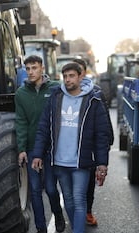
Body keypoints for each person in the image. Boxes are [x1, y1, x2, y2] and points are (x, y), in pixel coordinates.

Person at [32, 62, 110, 233]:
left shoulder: (93, 100)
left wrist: (102, 163)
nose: (67, 80)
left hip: (81, 162)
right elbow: (43, 128)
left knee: (79, 199)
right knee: (68, 200)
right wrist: (37, 154)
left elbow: (102, 135)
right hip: (59, 161)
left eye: (71, 76)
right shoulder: (56, 98)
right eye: (65, 76)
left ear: (81, 76)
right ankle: (77, 229)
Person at [14, 55, 66, 233]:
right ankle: (41, 228)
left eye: (34, 68)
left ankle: (58, 214)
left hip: (50, 148)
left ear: (42, 68)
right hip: (30, 147)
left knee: (51, 188)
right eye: (28, 69)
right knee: (35, 190)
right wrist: (21, 149)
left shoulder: (55, 88)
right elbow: (20, 121)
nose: (31, 72)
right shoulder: (21, 94)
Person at [72, 58, 114, 226]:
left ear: (83, 73)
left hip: (88, 146)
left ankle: (87, 211)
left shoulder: (96, 92)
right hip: (70, 147)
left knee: (89, 182)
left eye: (79, 72)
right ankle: (75, 210)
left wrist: (108, 140)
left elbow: (103, 120)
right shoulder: (63, 93)